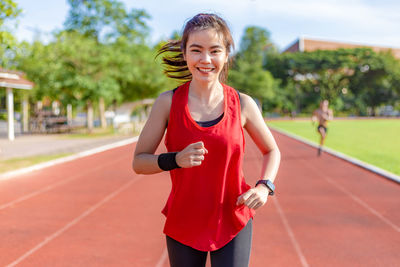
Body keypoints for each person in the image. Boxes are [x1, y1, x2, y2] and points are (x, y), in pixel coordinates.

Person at [132, 13, 280, 267]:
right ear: (185, 53)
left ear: (226, 55)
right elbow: (139, 162)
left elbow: (272, 150)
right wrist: (175, 159)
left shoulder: (243, 104)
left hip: (233, 219)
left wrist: (264, 186)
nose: (205, 59)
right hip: (184, 221)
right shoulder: (167, 103)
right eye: (196, 50)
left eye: (215, 50)